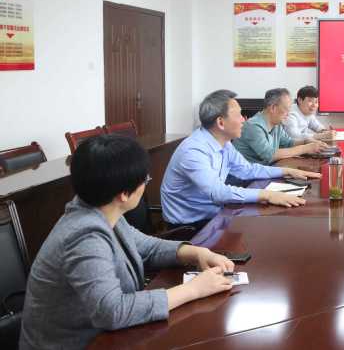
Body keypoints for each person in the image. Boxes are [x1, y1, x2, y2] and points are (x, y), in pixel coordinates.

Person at [20, 135, 235, 350]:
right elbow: (112, 311)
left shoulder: (102, 208)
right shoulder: (83, 237)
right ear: (123, 194)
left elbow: (146, 247)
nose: (146, 184)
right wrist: (193, 290)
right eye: (145, 179)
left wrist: (196, 253)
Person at [161, 90, 320, 228]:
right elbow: (218, 192)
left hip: (216, 213)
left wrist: (286, 171)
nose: (244, 120)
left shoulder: (224, 143)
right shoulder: (194, 150)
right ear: (221, 122)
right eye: (238, 115)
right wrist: (267, 195)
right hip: (192, 225)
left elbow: (248, 170)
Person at [232, 88, 330, 165]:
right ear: (273, 108)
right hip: (245, 180)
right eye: (286, 109)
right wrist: (305, 148)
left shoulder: (277, 124)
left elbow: (288, 143)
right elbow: (269, 155)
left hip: (264, 171)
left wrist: (305, 141)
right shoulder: (253, 126)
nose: (289, 114)